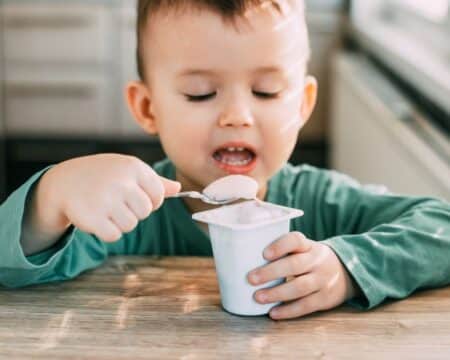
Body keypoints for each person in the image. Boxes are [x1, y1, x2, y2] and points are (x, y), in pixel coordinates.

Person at [0, 0, 449, 320]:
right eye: (201, 93)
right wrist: (52, 197)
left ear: (302, 104)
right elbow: (8, 266)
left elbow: (441, 229)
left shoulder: (325, 201)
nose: (237, 115)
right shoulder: (130, 213)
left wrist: (348, 268)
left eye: (266, 91)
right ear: (147, 108)